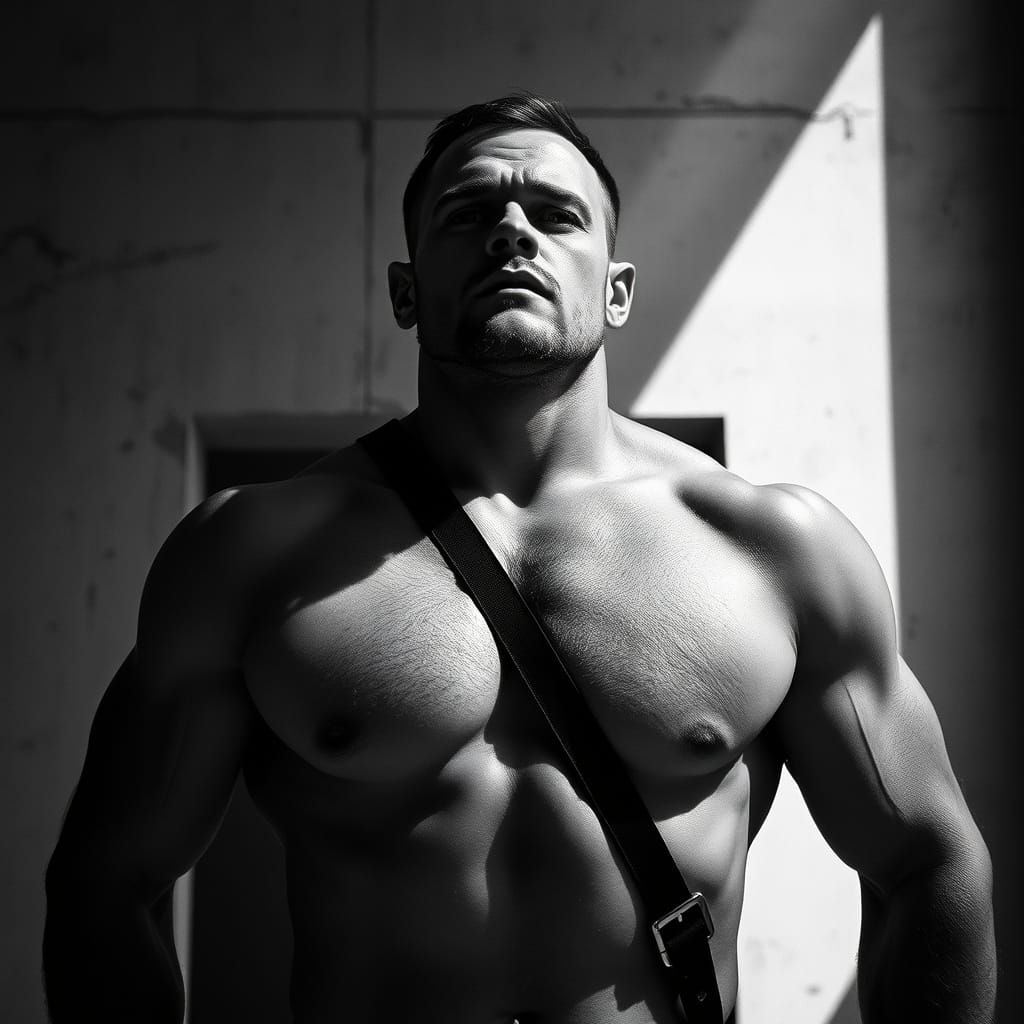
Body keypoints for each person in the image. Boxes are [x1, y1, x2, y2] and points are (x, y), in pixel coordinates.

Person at [44, 93, 995, 1024]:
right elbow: (109, 881)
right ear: (406, 291)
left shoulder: (773, 551)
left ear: (616, 289)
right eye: (469, 214)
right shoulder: (253, 552)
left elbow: (927, 860)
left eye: (555, 214)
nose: (511, 231)